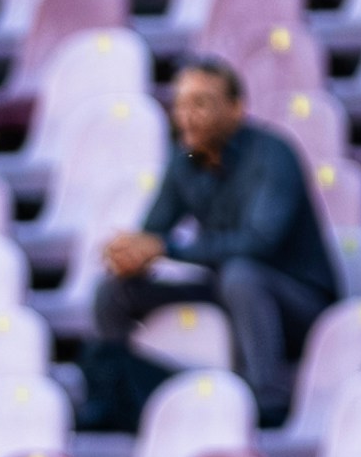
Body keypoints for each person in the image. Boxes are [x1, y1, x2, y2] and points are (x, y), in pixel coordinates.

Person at [75, 52, 337, 432]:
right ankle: (114, 395)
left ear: (236, 108)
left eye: (201, 103)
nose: (186, 115)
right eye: (180, 104)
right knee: (113, 291)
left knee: (242, 274)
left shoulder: (273, 154)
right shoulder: (187, 159)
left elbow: (259, 242)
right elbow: (154, 233)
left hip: (300, 300)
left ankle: (265, 400)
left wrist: (165, 249)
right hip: (226, 286)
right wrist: (131, 252)